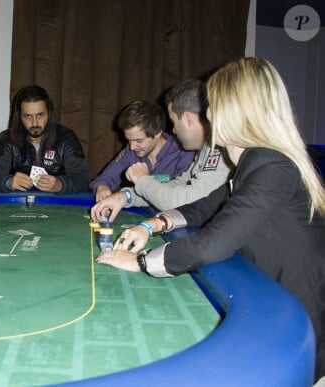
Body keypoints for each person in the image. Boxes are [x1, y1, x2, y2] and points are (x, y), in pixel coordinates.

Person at [96, 57, 325, 381]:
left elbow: (211, 244)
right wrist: (151, 225)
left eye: (213, 103)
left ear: (233, 109)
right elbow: (204, 207)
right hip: (280, 305)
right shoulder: (254, 161)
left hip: (304, 330)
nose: (207, 113)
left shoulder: (273, 167)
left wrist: (141, 262)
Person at [90, 79, 232, 221]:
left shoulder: (219, 148)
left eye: (174, 122)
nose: (174, 130)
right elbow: (177, 186)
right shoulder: (207, 148)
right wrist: (126, 196)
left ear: (188, 118)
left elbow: (185, 202)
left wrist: (141, 179)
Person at [0, 85, 90, 194]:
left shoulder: (66, 137)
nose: (35, 123)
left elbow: (83, 179)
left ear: (49, 113)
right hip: (17, 205)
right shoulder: (7, 139)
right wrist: (8, 182)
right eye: (28, 116)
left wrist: (60, 185)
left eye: (40, 115)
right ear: (19, 116)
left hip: (58, 204)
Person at [90, 100, 194, 202]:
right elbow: (105, 177)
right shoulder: (131, 152)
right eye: (129, 140)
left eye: (139, 140)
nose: (132, 147)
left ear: (158, 132)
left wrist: (143, 181)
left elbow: (180, 198)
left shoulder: (184, 152)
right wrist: (102, 187)